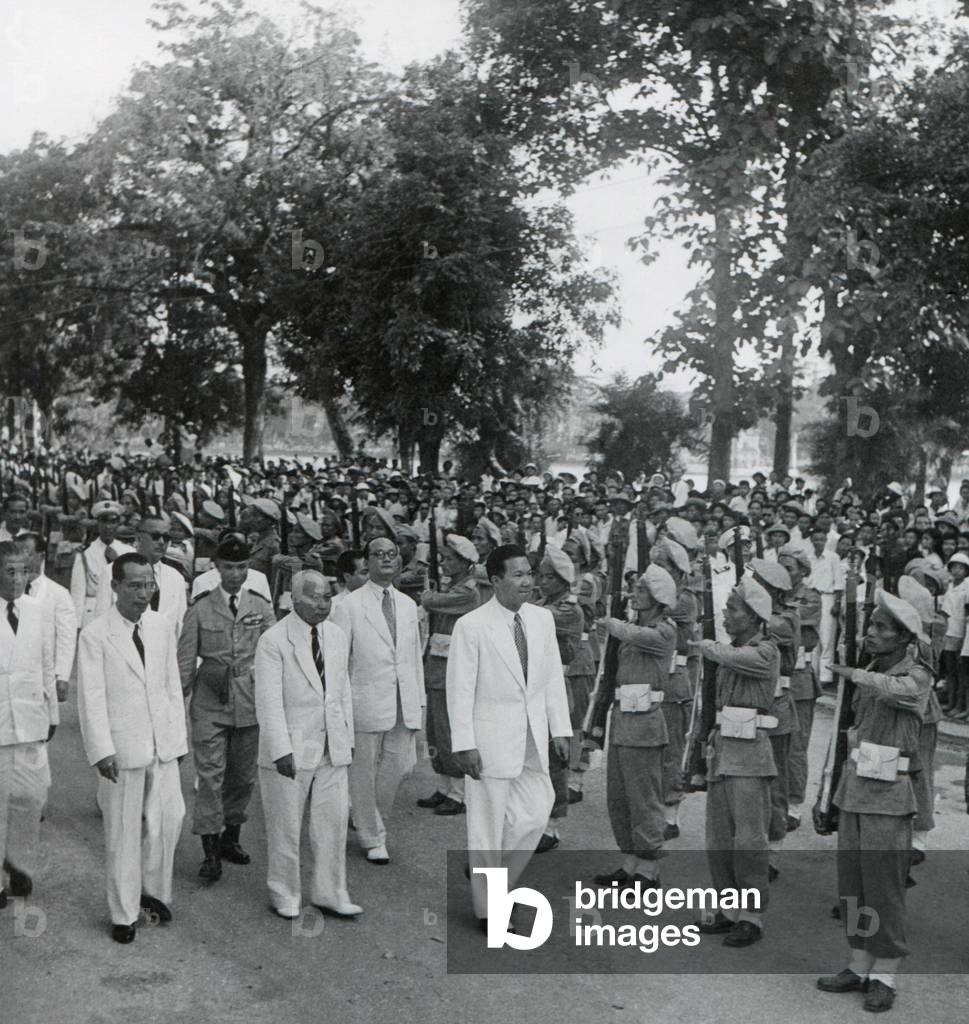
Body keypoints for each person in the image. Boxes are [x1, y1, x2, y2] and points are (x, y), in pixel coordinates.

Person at [446, 544, 571, 932]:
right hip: (488, 740)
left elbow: (551, 678)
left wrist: (561, 728)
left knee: (537, 810)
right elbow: (460, 689)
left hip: (532, 736)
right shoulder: (471, 625)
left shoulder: (541, 620)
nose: (527, 581)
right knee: (485, 826)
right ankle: (490, 911)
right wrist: (463, 742)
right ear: (496, 580)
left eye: (530, 573)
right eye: (517, 575)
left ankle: (494, 879)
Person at [817, 592, 933, 1013]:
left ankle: (886, 973)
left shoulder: (916, 675)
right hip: (856, 789)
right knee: (853, 885)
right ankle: (859, 963)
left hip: (889, 796)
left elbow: (899, 691)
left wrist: (853, 675)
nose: (871, 634)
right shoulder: (871, 669)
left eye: (882, 629)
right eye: (871, 626)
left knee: (884, 889)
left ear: (904, 638)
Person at [76, 553, 187, 944]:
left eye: (149, 585)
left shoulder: (160, 627)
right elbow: (90, 698)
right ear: (116, 588)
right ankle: (123, 913)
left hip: (162, 741)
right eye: (135, 585)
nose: (144, 593)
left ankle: (152, 893)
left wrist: (177, 738)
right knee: (123, 830)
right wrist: (102, 750)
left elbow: (172, 685)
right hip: (122, 746)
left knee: (169, 818)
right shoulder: (95, 633)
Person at [254, 571, 359, 920]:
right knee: (285, 824)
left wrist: (347, 737)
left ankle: (331, 892)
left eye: (327, 597)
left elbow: (342, 689)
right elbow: (268, 701)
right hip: (291, 748)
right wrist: (280, 749)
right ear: (293, 599)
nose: (322, 604)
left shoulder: (337, 635)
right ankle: (284, 891)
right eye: (314, 597)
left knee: (332, 822)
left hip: (332, 743)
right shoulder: (274, 640)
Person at [177, 535, 275, 882]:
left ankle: (230, 839)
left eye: (242, 567)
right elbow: (186, 663)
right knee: (210, 776)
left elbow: (274, 657)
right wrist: (176, 712)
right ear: (216, 568)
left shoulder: (261, 606)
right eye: (229, 567)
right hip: (210, 700)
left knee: (242, 776)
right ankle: (209, 851)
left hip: (249, 701)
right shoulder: (200, 608)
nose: (236, 573)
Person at [690, 577, 779, 948]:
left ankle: (752, 915)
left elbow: (732, 658)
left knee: (749, 840)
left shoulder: (766, 651)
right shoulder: (730, 648)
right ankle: (729, 907)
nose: (726, 616)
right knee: (719, 838)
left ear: (754, 617)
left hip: (751, 756)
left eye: (733, 610)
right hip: (724, 752)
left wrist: (707, 645)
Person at [329, 536, 424, 865]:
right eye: (378, 555)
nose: (385, 560)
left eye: (391, 555)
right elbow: (338, 662)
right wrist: (339, 708)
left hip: (403, 699)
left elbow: (413, 657)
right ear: (366, 562)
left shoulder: (409, 605)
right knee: (364, 769)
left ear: (399, 561)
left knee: (397, 766)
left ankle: (372, 820)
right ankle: (372, 836)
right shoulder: (348, 606)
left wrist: (419, 701)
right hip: (365, 698)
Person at [590, 564, 677, 890]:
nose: (635, 594)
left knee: (644, 797)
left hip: (645, 724)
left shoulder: (664, 630)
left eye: (641, 590)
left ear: (657, 597)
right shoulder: (631, 627)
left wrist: (613, 624)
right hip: (623, 720)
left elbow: (640, 636)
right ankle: (630, 863)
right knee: (620, 796)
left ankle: (649, 868)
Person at [0, 541, 57, 908]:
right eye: (10, 571)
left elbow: (46, 664)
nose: (19, 579)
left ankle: (18, 862)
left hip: (32, 721)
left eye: (23, 570)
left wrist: (52, 714)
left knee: (33, 795)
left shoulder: (36, 610)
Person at [416, 534, 480, 815]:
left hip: (454, 670)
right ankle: (444, 786)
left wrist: (428, 595)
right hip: (438, 667)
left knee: (450, 731)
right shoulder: (453, 587)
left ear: (466, 563)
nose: (443, 564)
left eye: (450, 559)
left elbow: (431, 602)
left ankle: (459, 793)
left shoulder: (467, 591)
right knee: (436, 730)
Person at [94, 516, 187, 640]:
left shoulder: (176, 578)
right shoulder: (113, 570)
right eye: (155, 536)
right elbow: (101, 618)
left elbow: (181, 625)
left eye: (166, 538)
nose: (161, 542)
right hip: (124, 650)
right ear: (138, 538)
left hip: (163, 653)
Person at [17, 533, 77, 703]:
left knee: (45, 723)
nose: (21, 558)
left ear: (41, 556)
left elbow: (66, 638)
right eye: (17, 553)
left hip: (44, 674)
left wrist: (62, 676)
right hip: (12, 674)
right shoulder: (7, 591)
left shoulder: (58, 594)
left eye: (26, 553)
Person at [69, 500, 133, 630]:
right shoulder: (85, 554)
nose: (108, 526)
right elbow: (77, 595)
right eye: (104, 521)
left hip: (122, 615)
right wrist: (76, 627)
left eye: (113, 521)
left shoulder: (128, 551)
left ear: (118, 523)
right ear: (97, 523)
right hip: (93, 617)